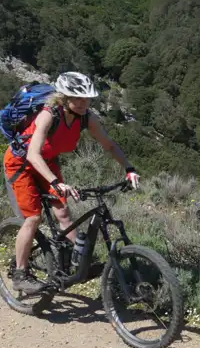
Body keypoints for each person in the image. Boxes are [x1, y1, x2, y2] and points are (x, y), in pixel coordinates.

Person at [3, 71, 140, 293]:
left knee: (64, 214)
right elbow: (32, 155)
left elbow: (109, 145)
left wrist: (129, 169)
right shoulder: (48, 115)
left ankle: (76, 266)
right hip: (21, 163)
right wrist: (56, 182)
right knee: (33, 218)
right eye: (79, 98)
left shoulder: (87, 118)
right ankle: (20, 273)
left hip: (47, 161)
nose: (85, 103)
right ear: (64, 98)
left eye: (87, 98)